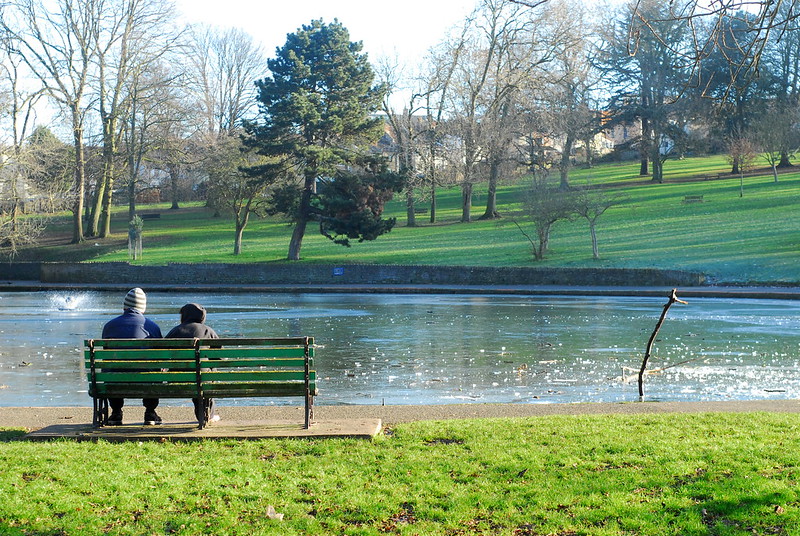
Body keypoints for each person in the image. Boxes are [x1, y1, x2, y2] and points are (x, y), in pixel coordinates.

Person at [101, 287, 163, 425]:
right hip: (146, 381)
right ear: (143, 307)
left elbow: (106, 356)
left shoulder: (109, 326)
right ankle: (150, 412)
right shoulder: (152, 327)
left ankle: (116, 412)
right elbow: (160, 356)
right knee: (154, 371)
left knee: (111, 370)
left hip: (114, 381)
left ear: (125, 306)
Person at [165, 302, 221, 423]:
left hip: (178, 379)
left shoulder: (175, 331)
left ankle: (204, 414)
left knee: (198, 373)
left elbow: (162, 355)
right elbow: (220, 357)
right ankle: (208, 415)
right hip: (202, 379)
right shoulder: (208, 331)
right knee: (207, 372)